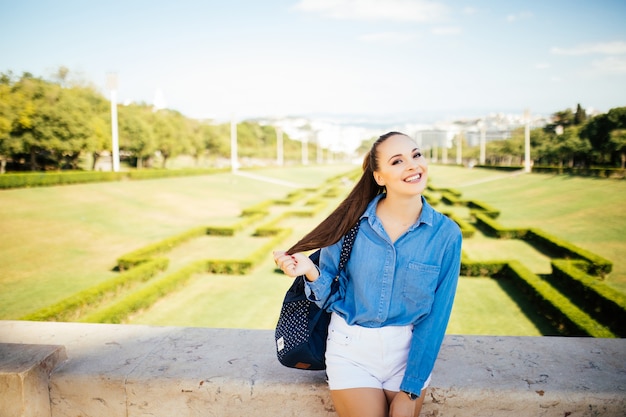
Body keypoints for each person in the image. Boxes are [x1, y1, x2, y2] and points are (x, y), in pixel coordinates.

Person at [273, 132, 462, 417]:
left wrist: (411, 387)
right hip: (350, 350)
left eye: (416, 155)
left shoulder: (446, 234)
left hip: (408, 354)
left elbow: (437, 316)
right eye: (397, 161)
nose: (412, 165)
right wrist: (310, 271)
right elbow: (330, 295)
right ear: (379, 177)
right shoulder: (352, 224)